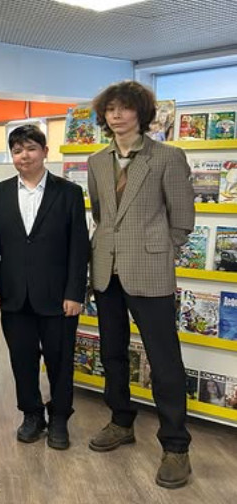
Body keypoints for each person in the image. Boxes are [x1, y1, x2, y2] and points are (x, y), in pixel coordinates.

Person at [86, 80, 195, 489]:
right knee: (112, 352)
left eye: (125, 108)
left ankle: (176, 446)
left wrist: (159, 250)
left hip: (150, 270)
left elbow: (182, 219)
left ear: (141, 113)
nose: (116, 115)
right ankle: (121, 421)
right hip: (106, 269)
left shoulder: (167, 156)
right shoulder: (97, 161)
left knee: (164, 359)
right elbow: (102, 214)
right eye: (110, 109)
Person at [0, 125, 89, 450]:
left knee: (60, 361)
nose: (24, 156)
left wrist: (75, 293)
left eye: (30, 148)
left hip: (58, 297)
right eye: (17, 151)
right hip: (14, 295)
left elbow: (79, 247)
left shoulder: (68, 192)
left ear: (45, 151)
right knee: (22, 359)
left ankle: (59, 418)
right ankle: (31, 415)